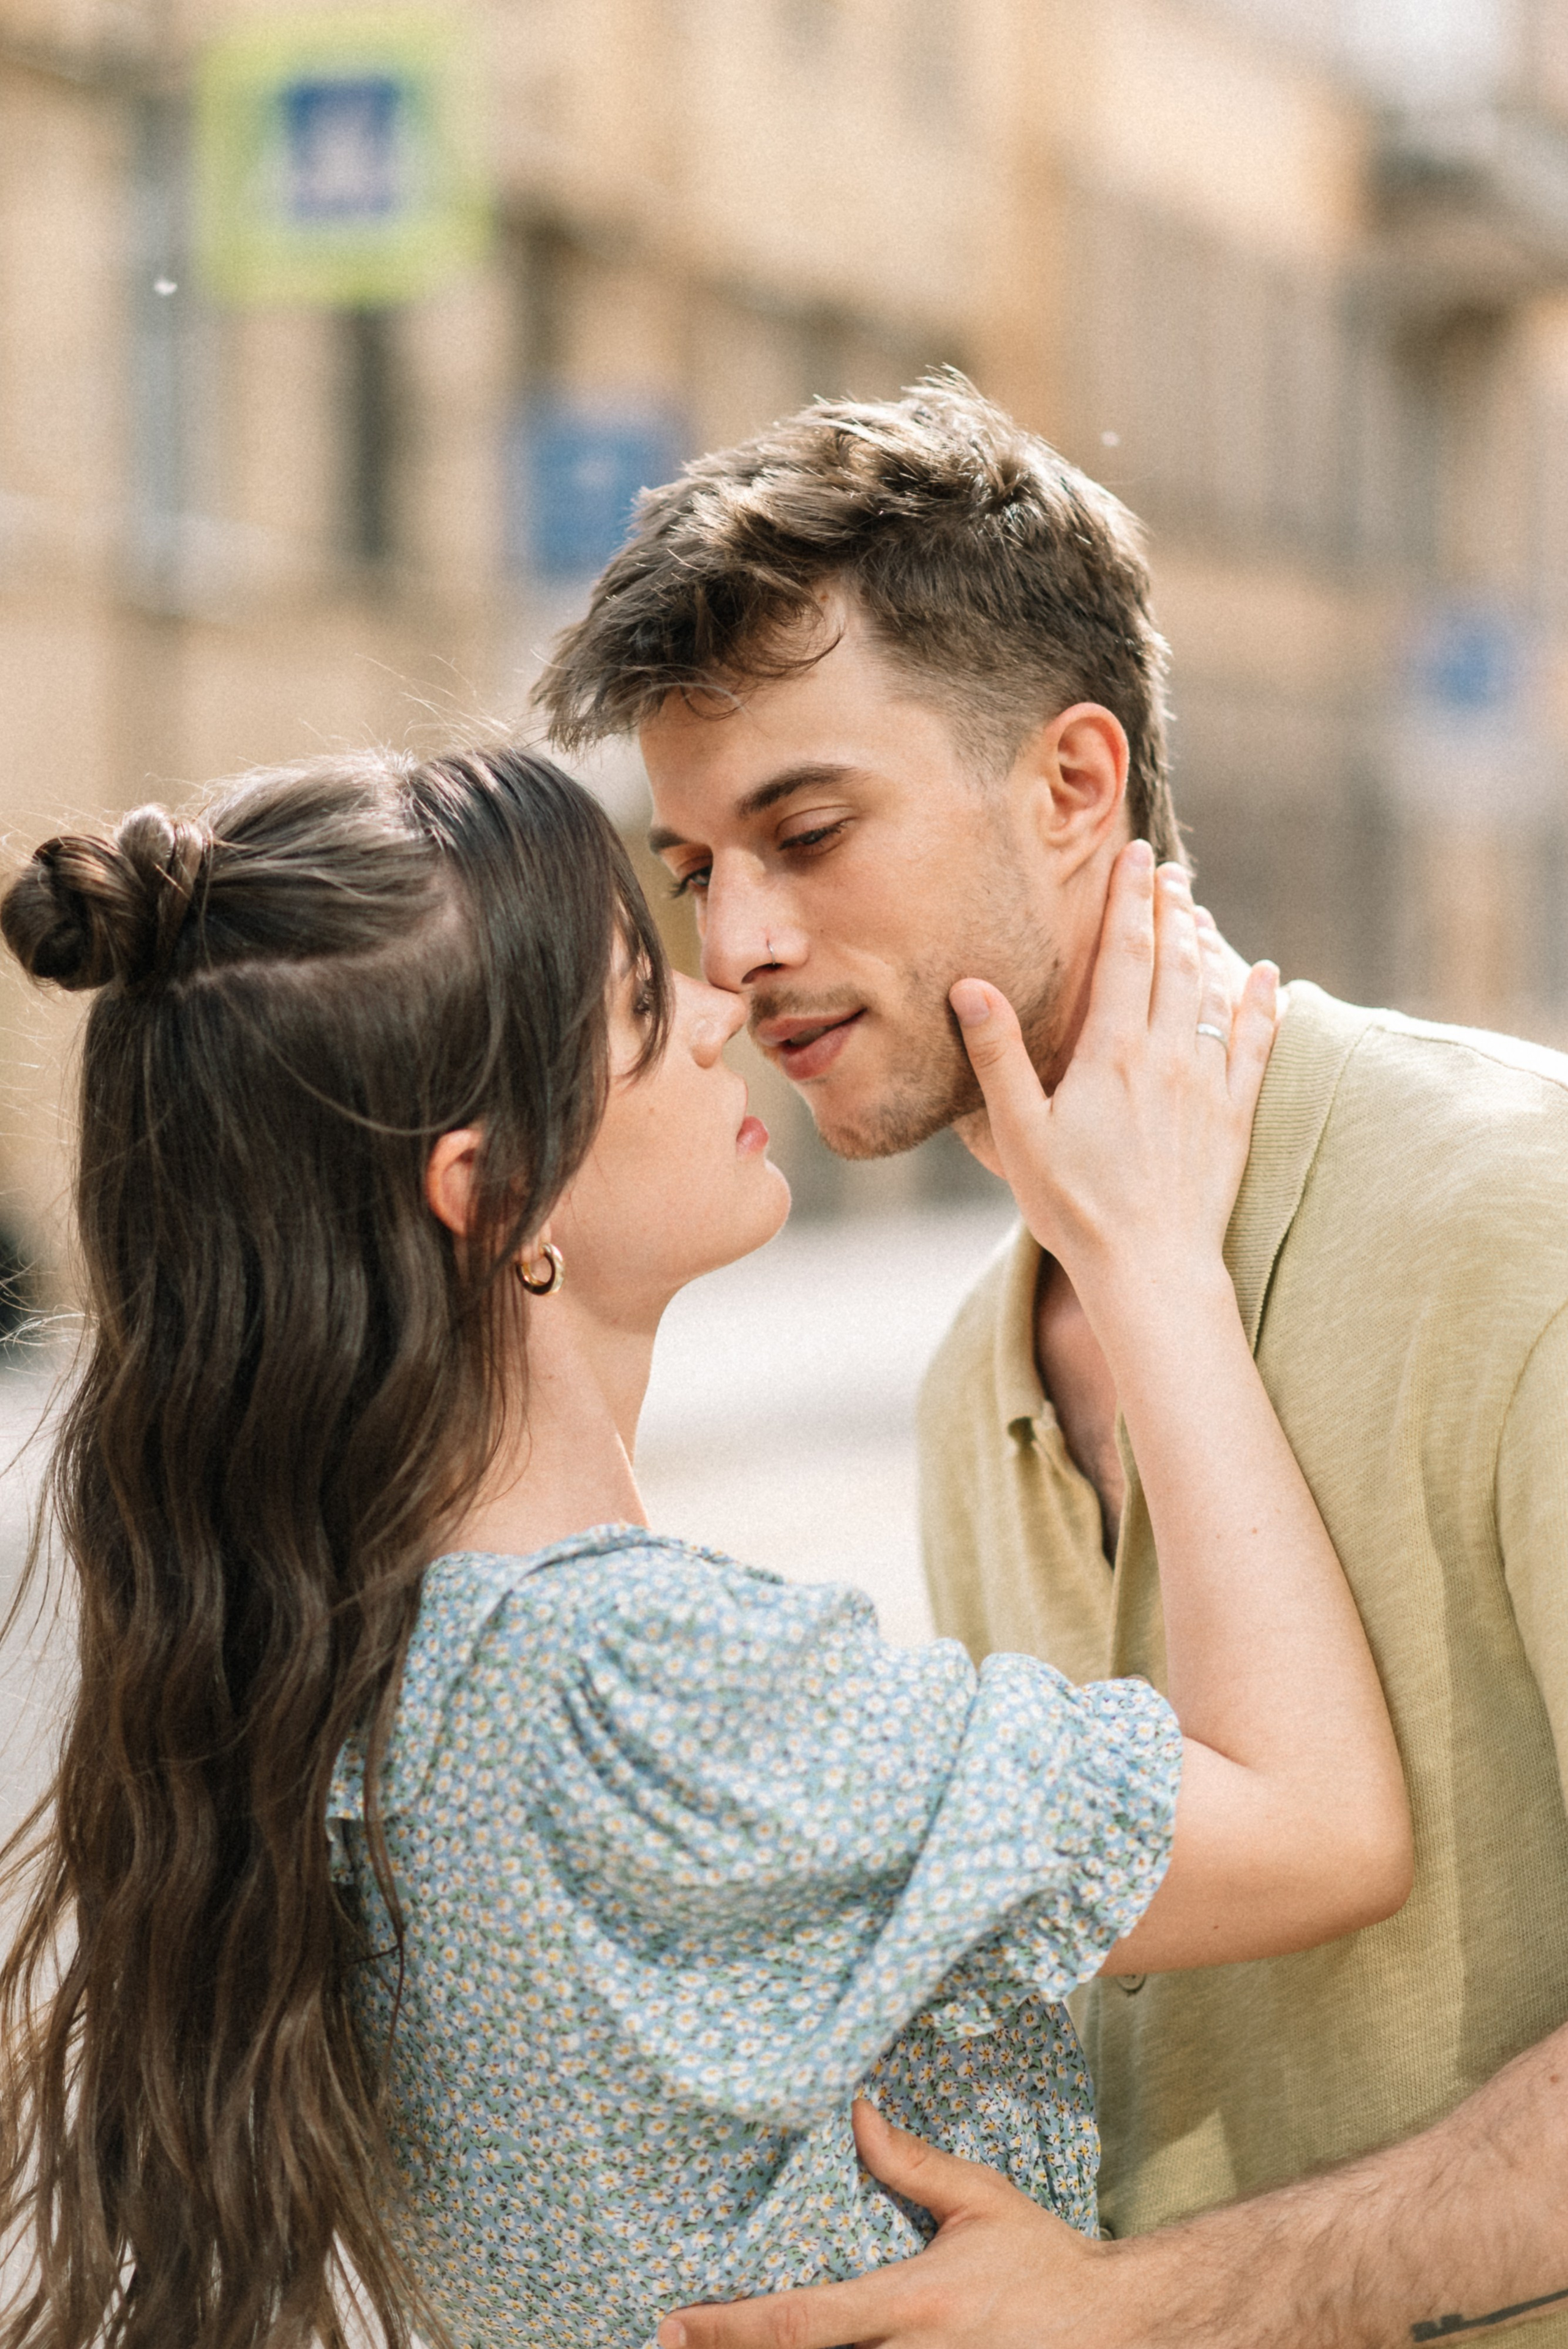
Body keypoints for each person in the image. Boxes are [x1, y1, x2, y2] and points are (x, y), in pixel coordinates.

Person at [0, 748, 1408, 2349]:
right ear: (495, 1189)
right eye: (641, 1009)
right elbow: (1323, 1826)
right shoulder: (636, 1686)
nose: (722, 1008)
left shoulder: (363, 1669)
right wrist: (1153, 1255)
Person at [534, 372, 1568, 2348]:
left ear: (1075, 785)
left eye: (809, 829)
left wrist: (1156, 2301)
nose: (739, 942)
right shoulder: (969, 1386)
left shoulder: (1522, 1229)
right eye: (693, 869)